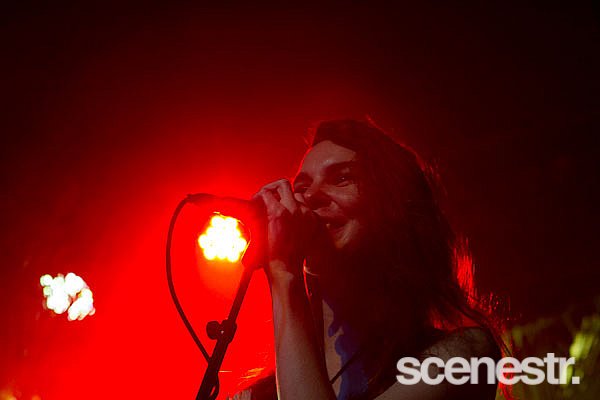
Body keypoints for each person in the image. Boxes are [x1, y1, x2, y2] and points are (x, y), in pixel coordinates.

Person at [240, 119, 503, 400]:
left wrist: (284, 272)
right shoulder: (253, 396)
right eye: (302, 187)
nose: (311, 196)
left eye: (341, 178)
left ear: (394, 206)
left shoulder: (461, 358)